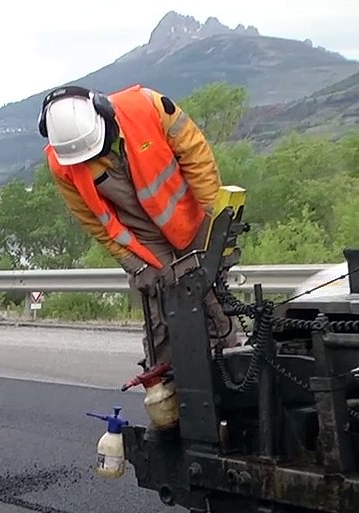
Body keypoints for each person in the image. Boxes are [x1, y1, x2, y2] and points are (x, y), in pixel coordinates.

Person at [38, 83, 239, 369]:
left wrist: (215, 223)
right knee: (160, 317)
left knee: (212, 298)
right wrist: (133, 264)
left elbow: (198, 158)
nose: (92, 159)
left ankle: (230, 372)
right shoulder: (63, 163)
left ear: (103, 114)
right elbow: (94, 222)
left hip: (191, 219)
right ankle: (166, 395)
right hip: (145, 242)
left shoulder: (149, 108)